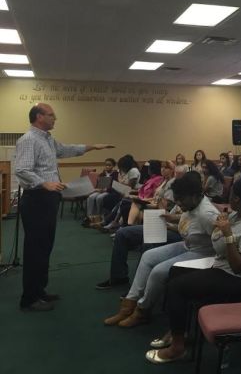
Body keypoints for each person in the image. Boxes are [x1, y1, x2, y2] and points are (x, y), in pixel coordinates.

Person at [145, 172, 241, 363]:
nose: (227, 198)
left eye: (231, 195)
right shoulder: (238, 214)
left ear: (237, 199)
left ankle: (177, 347)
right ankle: (181, 330)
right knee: (175, 271)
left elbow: (238, 268)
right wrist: (224, 228)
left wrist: (227, 234)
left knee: (176, 288)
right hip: (222, 266)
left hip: (240, 281)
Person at [15, 103, 114, 311]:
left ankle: (40, 291)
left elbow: (66, 149)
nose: (55, 118)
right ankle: (29, 298)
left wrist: (91, 147)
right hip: (36, 199)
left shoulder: (47, 139)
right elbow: (22, 170)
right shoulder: (28, 139)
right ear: (39, 117)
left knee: (45, 247)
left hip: (48, 198)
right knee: (35, 249)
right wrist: (45, 183)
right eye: (51, 115)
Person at [103, 171, 219, 327]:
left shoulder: (208, 215)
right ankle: (129, 304)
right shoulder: (192, 205)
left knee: (159, 271)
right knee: (148, 256)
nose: (179, 204)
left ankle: (142, 310)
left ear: (194, 195)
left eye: (181, 200)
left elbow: (221, 245)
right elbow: (191, 223)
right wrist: (172, 220)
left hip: (204, 254)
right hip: (189, 246)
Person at [82, 157, 118, 226]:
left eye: (109, 165)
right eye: (106, 165)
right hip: (100, 190)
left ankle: (99, 216)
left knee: (99, 198)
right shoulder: (103, 174)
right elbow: (99, 185)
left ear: (113, 166)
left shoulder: (115, 174)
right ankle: (89, 216)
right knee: (91, 197)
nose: (107, 166)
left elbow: (114, 186)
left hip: (108, 191)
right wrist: (97, 189)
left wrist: (104, 190)